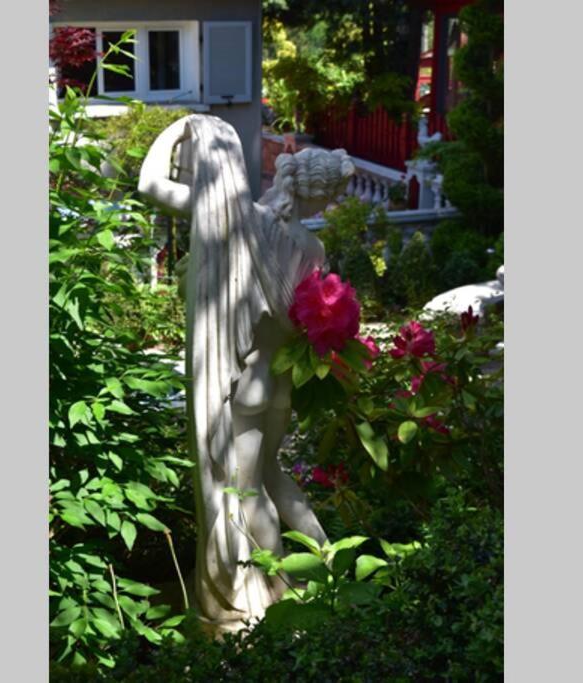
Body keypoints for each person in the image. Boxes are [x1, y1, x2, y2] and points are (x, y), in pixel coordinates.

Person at [138, 114, 354, 629]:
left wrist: (181, 127)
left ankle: (267, 590)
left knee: (247, 490)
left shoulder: (241, 223)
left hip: (248, 386)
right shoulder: (312, 250)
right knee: (274, 477)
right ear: (316, 196)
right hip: (282, 384)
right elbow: (311, 324)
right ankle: (326, 571)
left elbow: (149, 185)